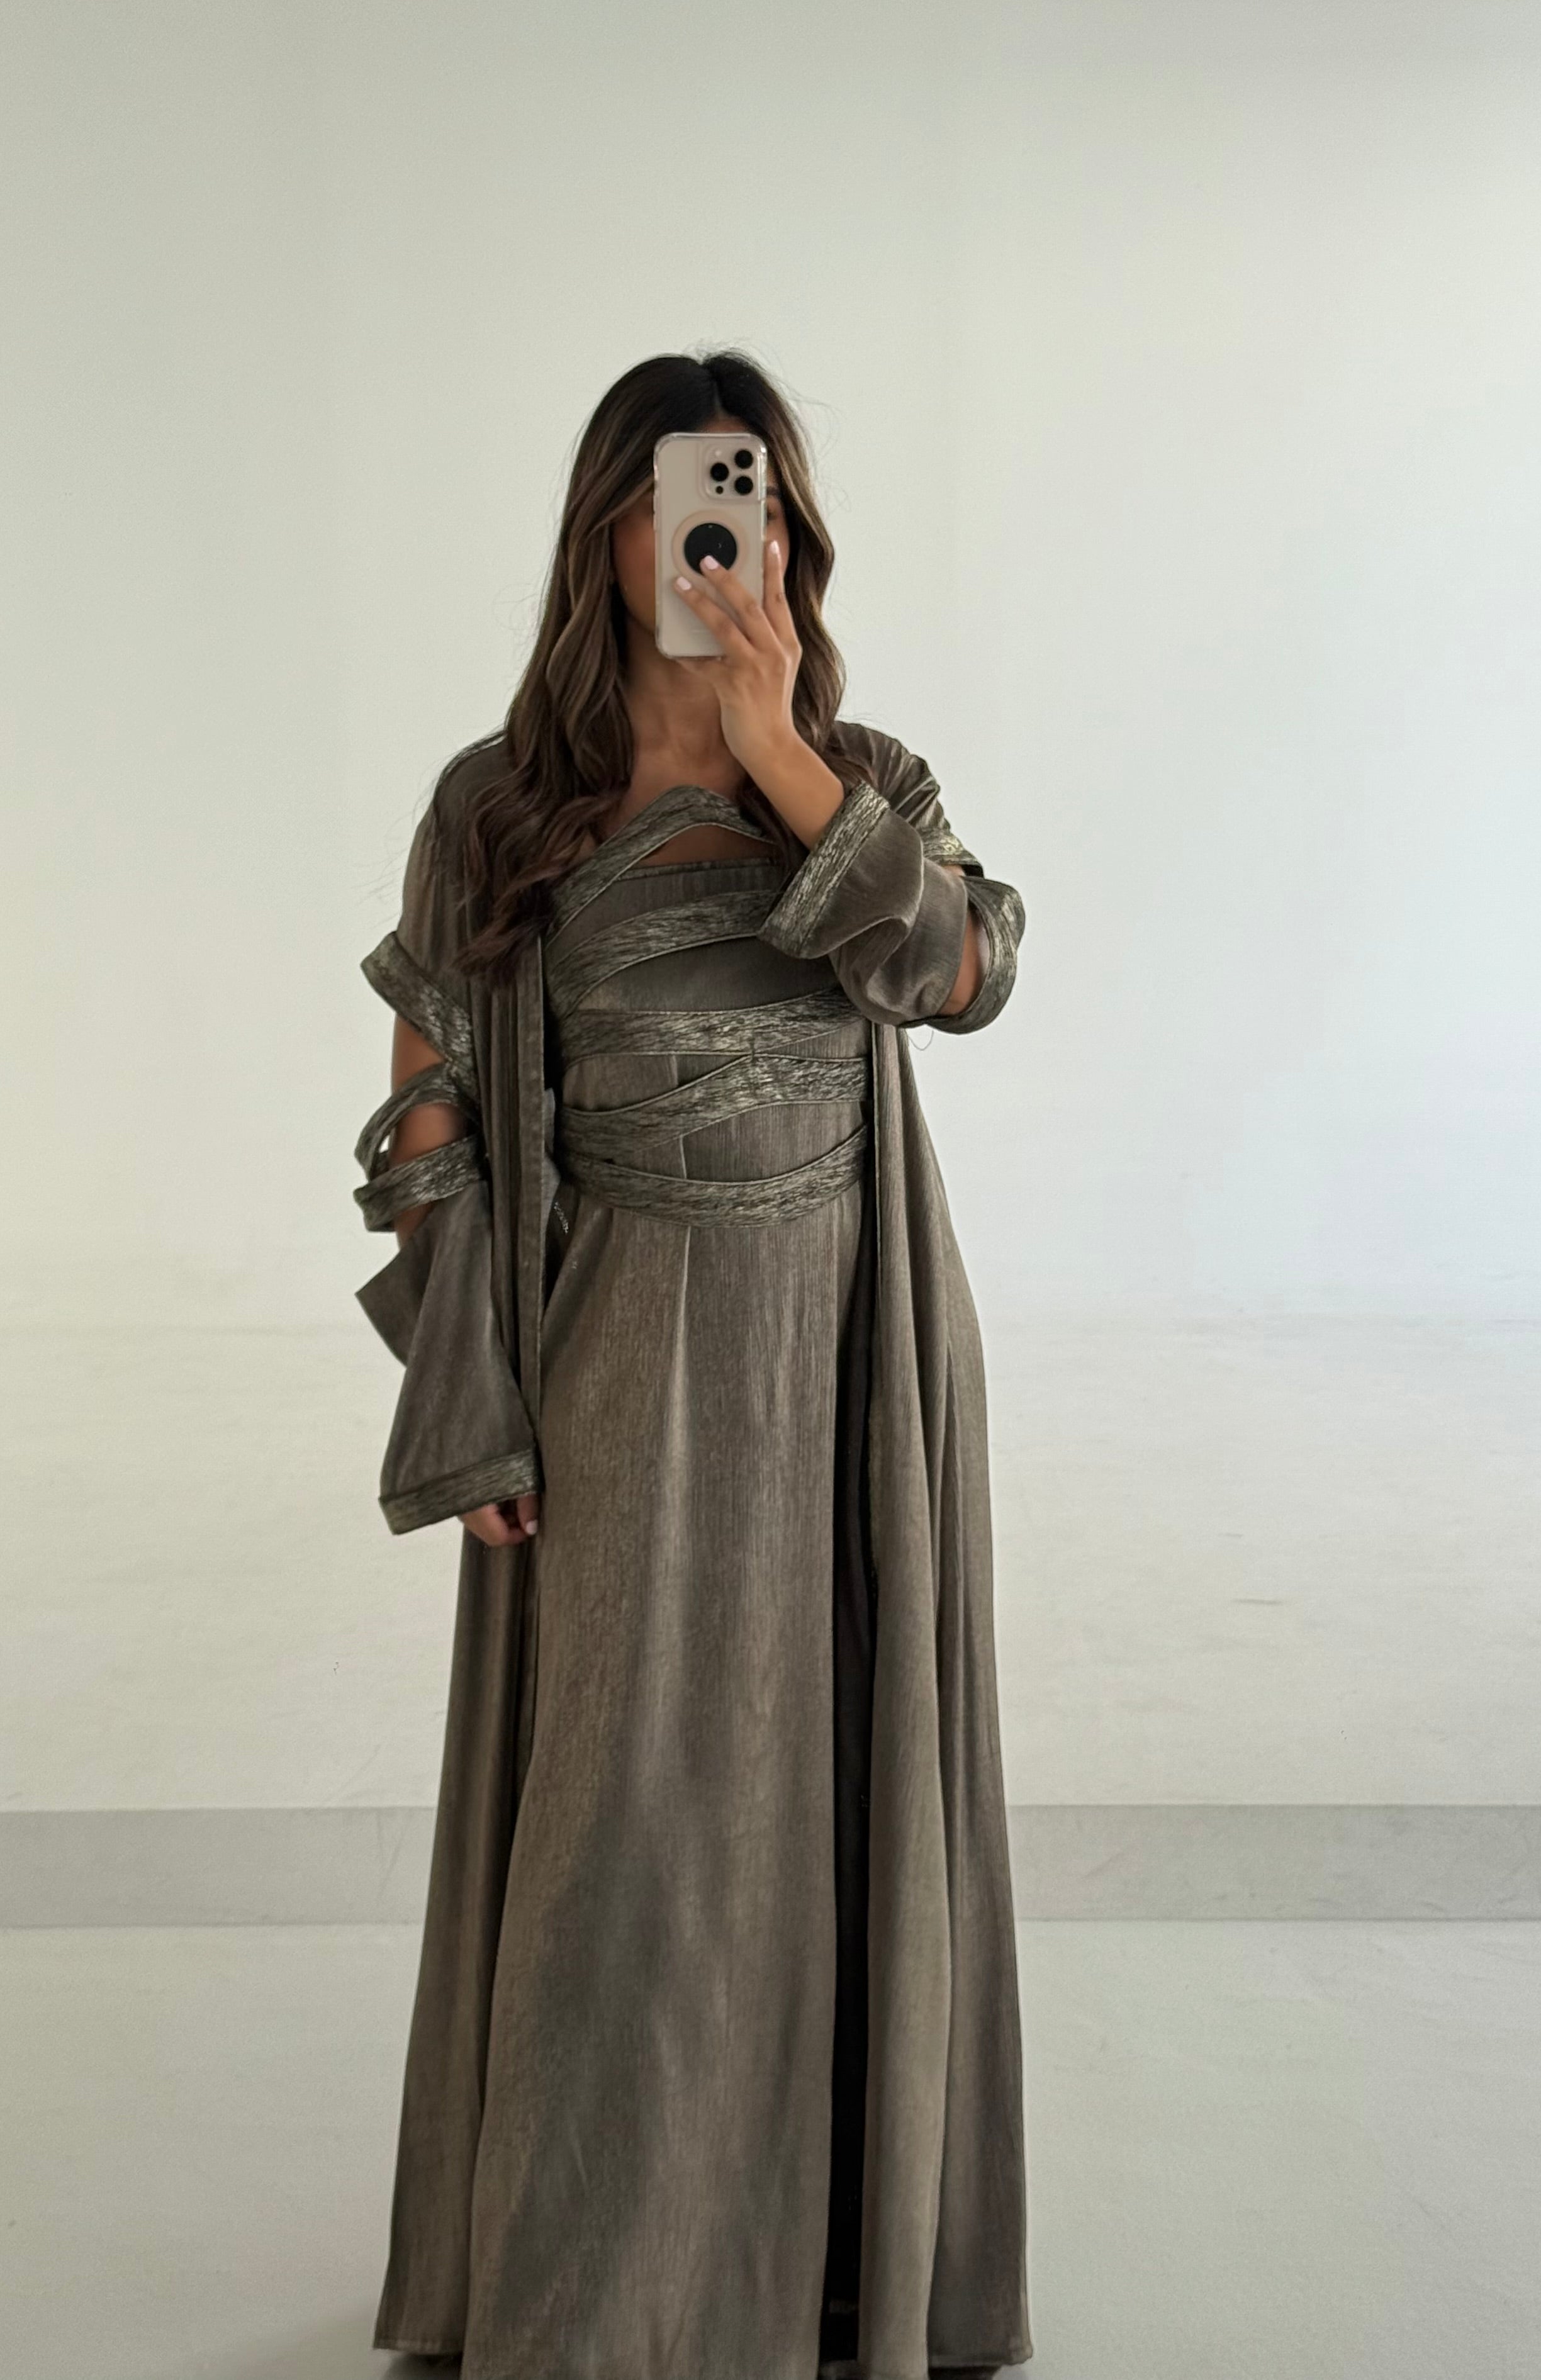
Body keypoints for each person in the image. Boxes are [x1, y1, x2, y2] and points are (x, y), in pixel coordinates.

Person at [351, 347, 1032, 2380]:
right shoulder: (497, 809)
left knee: (833, 1811)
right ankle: (601, 2288)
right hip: (621, 1366)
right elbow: (429, 1125)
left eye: (759, 509)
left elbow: (964, 972)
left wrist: (777, 746)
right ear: (610, 537)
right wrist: (469, 1398)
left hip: (849, 1376)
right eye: (687, 508)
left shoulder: (866, 779)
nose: (728, 547)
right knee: (624, 1837)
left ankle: (825, 2271)